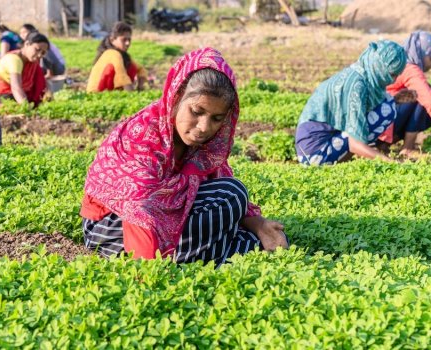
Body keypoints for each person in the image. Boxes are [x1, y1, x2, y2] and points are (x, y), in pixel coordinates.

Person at [80, 48, 288, 267]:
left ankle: (202, 257)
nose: (204, 127)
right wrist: (150, 275)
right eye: (196, 112)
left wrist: (256, 223)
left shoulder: (207, 145)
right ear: (177, 97)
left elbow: (216, 187)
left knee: (253, 229)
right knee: (231, 196)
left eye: (217, 118)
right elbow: (139, 211)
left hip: (169, 217)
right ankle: (201, 259)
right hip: (114, 227)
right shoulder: (143, 135)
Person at [295, 40, 408, 166]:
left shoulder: (361, 74)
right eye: (392, 74)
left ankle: (342, 160)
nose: (393, 80)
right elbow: (354, 143)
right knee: (387, 110)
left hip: (325, 142)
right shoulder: (356, 86)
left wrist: (396, 98)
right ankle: (339, 163)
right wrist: (390, 162)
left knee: (388, 102)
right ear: (379, 67)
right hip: (314, 155)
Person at [378, 31, 431, 157]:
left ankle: (383, 144)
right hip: (381, 124)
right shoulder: (410, 68)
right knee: (421, 98)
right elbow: (430, 102)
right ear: (422, 53)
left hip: (376, 123)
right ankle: (408, 147)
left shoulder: (398, 61)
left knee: (418, 97)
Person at [0, 32, 49, 107]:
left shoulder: (32, 61)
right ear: (27, 44)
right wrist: (26, 108)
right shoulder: (14, 60)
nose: (39, 55)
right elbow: (16, 88)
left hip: (16, 96)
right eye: (37, 49)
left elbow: (40, 84)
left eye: (43, 52)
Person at [86, 22, 148, 93]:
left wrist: (140, 87)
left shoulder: (123, 55)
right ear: (112, 40)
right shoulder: (112, 53)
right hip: (96, 93)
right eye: (124, 40)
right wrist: (132, 94)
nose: (127, 43)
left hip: (110, 93)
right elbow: (121, 74)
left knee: (132, 66)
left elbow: (140, 69)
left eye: (129, 40)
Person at [19, 24, 67, 93]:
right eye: (21, 33)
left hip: (57, 68)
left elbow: (48, 59)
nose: (22, 35)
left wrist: (48, 74)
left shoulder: (41, 44)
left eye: (24, 32)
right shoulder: (17, 57)